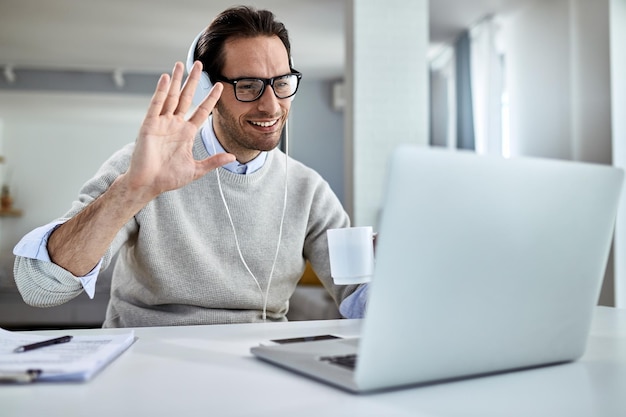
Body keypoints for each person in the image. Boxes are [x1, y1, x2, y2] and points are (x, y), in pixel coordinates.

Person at [12, 6, 368, 327]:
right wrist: (132, 192)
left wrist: (399, 266)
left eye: (281, 83)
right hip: (147, 364)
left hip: (261, 368)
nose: (271, 106)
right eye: (248, 86)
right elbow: (40, 287)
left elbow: (360, 301)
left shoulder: (308, 189)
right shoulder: (145, 166)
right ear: (207, 90)